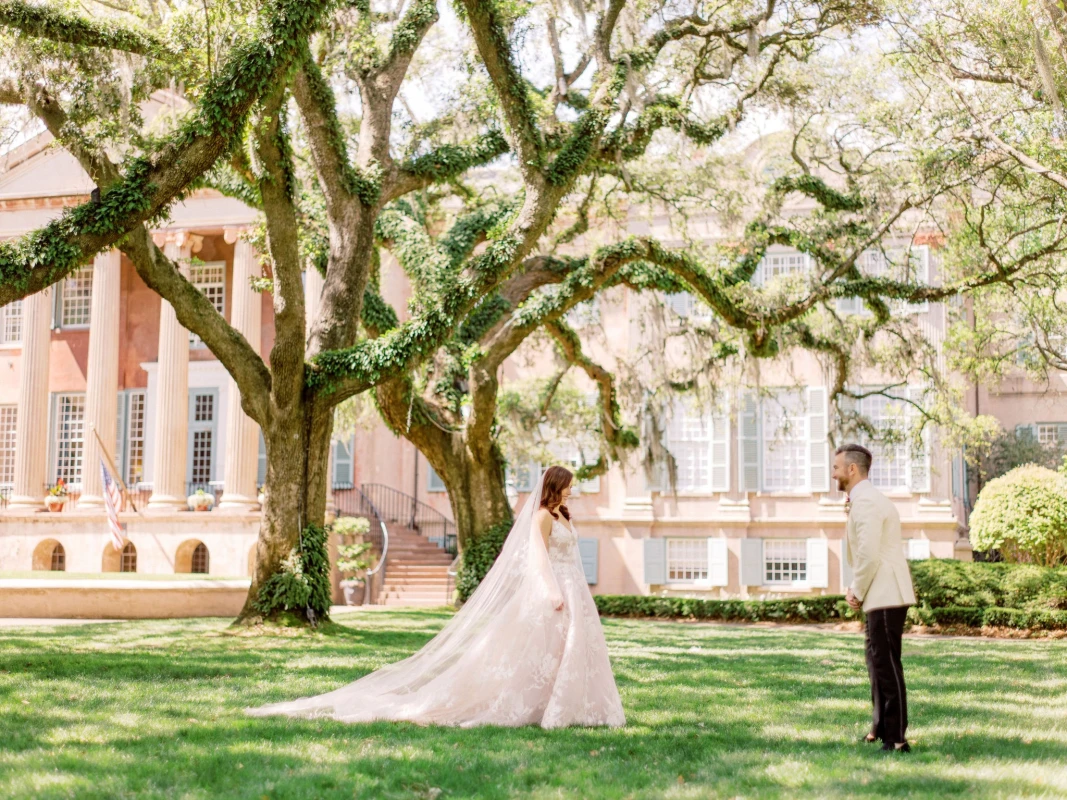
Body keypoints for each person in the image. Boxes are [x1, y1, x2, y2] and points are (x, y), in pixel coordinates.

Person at [247, 465, 625, 728]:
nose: (572, 489)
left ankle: (574, 706)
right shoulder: (542, 516)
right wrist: (550, 590)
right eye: (569, 484)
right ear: (555, 485)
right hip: (555, 588)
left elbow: (569, 553)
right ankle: (540, 705)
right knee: (541, 650)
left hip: (576, 589)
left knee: (572, 649)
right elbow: (538, 556)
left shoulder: (563, 515)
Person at [833, 443, 917, 753]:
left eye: (836, 467)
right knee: (876, 661)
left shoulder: (866, 501)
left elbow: (868, 553)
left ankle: (896, 739)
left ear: (851, 469)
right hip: (882, 591)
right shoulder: (867, 498)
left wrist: (856, 588)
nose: (834, 473)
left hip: (884, 591)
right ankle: (880, 727)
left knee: (886, 663)